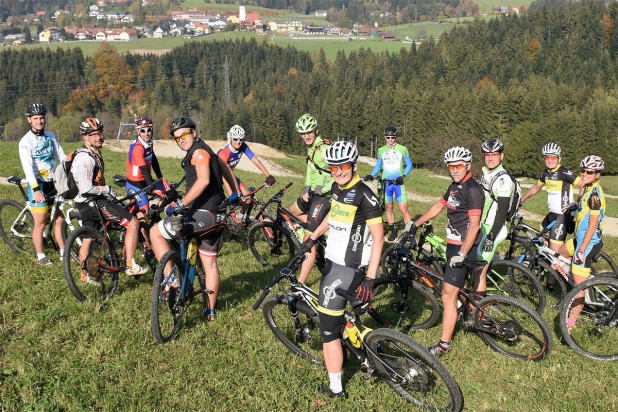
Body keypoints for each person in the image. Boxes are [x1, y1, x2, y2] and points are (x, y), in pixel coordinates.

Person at [300, 140, 383, 398]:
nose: (338, 172)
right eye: (333, 167)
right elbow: (333, 216)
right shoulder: (337, 187)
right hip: (334, 262)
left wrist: (370, 278)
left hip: (348, 268)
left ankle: (335, 388)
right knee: (342, 318)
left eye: (343, 166)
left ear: (354, 165)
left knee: (327, 327)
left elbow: (378, 238)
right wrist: (313, 236)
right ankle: (366, 353)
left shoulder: (364, 194)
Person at [150, 117, 241, 321]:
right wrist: (234, 192)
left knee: (155, 232)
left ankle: (171, 279)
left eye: (184, 134)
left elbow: (204, 180)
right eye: (177, 138)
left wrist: (181, 204)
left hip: (203, 216)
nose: (181, 140)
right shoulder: (206, 149)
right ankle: (209, 312)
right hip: (218, 219)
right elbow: (224, 165)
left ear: (193, 132)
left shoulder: (199, 153)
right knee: (209, 264)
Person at [405, 146, 484, 357]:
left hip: (463, 248)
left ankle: (444, 345)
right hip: (453, 246)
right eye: (451, 166)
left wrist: (463, 253)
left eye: (458, 166)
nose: (454, 170)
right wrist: (415, 223)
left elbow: (474, 226)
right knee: (456, 291)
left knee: (448, 296)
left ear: (467, 165)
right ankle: (472, 315)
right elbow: (438, 207)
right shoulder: (454, 187)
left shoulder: (473, 190)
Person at [72, 118, 148, 280]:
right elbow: (86, 189)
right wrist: (107, 189)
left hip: (84, 203)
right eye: (93, 134)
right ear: (85, 137)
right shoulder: (86, 159)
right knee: (133, 223)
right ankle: (130, 264)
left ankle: (84, 276)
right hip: (94, 202)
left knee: (88, 239)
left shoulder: (91, 152)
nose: (98, 137)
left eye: (100, 133)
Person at [560, 155, 606, 329]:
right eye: (583, 171)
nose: (584, 174)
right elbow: (582, 206)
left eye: (589, 172)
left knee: (579, 287)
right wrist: (574, 206)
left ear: (597, 174)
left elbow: (592, 226)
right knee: (558, 255)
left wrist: (582, 250)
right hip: (579, 239)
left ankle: (571, 323)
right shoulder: (587, 188)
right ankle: (576, 277)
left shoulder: (595, 195)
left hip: (587, 243)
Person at [18, 103, 67, 266]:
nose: (40, 121)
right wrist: (36, 190)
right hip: (37, 184)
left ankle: (63, 252)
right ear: (29, 120)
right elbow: (28, 170)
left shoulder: (50, 135)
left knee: (59, 219)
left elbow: (60, 155)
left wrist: (70, 169)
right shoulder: (26, 142)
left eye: (42, 118)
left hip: (52, 182)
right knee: (40, 221)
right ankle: (40, 256)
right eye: (36, 118)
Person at [289, 114, 334, 283]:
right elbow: (311, 169)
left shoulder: (324, 150)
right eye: (302, 133)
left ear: (316, 131)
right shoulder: (312, 148)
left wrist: (323, 189)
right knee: (290, 212)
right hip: (313, 194)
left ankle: (300, 283)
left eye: (309, 132)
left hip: (324, 198)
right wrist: (306, 189)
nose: (306, 136)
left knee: (308, 242)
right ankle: (318, 229)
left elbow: (340, 174)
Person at [520, 143, 581, 260]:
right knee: (541, 237)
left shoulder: (564, 173)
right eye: (547, 157)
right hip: (552, 214)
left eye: (554, 157)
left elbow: (582, 185)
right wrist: (522, 200)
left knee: (555, 254)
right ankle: (551, 265)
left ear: (559, 158)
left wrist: (577, 203)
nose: (550, 160)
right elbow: (536, 188)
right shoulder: (545, 173)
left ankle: (570, 270)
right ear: (544, 159)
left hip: (563, 215)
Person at [475, 139, 515, 300]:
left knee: (480, 270)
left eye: (494, 155)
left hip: (494, 228)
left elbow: (502, 211)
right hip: (484, 224)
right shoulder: (487, 173)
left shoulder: (503, 180)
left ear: (502, 156)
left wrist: (491, 236)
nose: (490, 158)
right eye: (487, 155)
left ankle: (477, 309)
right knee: (475, 263)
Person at [365, 125, 412, 241]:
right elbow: (378, 165)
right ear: (385, 137)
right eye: (388, 137)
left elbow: (409, 165)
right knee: (388, 208)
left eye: (392, 137)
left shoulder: (402, 149)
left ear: (395, 137)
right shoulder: (381, 150)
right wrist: (372, 175)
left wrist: (403, 176)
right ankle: (393, 230)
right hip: (386, 184)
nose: (390, 139)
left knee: (403, 209)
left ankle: (411, 233)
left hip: (398, 184)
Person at [217, 124, 276, 215]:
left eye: (241, 139)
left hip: (230, 176)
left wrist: (268, 175)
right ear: (230, 138)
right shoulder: (224, 153)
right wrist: (232, 193)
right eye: (235, 139)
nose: (238, 142)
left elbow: (255, 160)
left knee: (247, 198)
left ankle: (241, 217)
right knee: (228, 201)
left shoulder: (243, 146)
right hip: (218, 177)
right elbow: (222, 175)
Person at [125, 117, 169, 220]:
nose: (146, 133)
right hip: (135, 183)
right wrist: (153, 189)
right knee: (145, 213)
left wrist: (160, 178)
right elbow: (144, 170)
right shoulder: (138, 148)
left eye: (149, 129)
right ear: (138, 132)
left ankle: (154, 214)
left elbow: (153, 159)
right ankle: (137, 227)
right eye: (142, 130)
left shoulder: (148, 143)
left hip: (145, 180)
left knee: (168, 192)